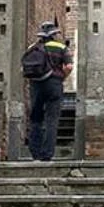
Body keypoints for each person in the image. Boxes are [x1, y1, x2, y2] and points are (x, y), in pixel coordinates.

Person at [23, 21, 73, 161]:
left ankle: (35, 152)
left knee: (35, 118)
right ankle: (47, 154)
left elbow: (25, 67)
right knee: (52, 119)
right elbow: (69, 67)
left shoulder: (33, 47)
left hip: (36, 84)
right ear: (54, 34)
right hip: (54, 84)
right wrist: (62, 77)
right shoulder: (61, 47)